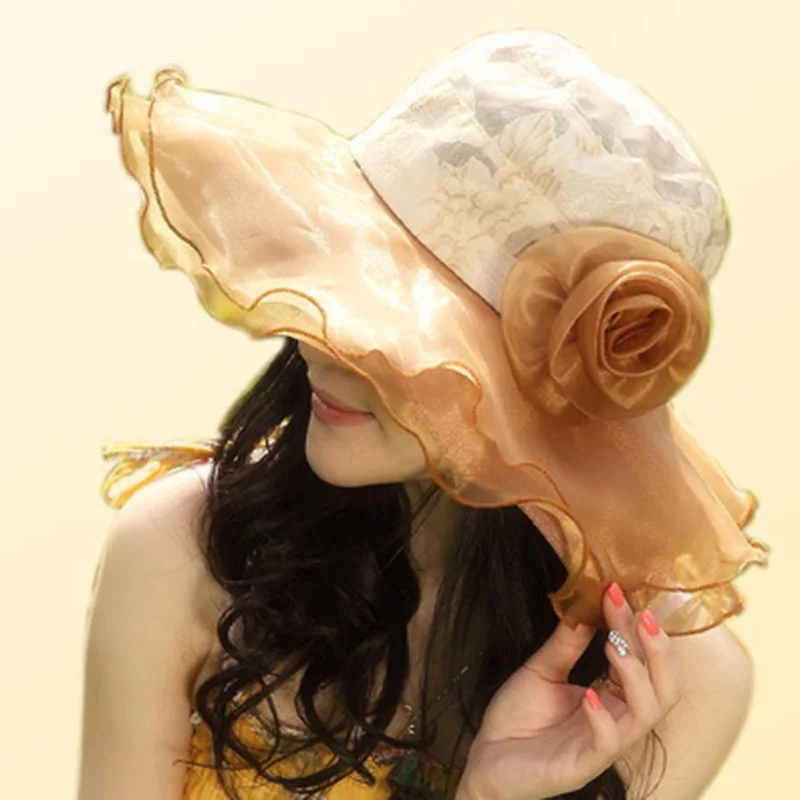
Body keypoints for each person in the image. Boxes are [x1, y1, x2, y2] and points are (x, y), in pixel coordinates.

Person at [79, 29, 768, 800]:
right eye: (342, 283)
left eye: (404, 330)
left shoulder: (672, 685)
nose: (325, 346)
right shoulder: (183, 553)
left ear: (545, 396)